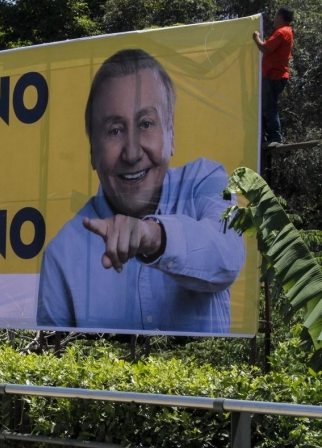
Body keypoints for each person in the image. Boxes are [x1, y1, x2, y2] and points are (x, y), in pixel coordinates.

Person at [37, 48, 245, 333]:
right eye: (114, 130)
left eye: (146, 124)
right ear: (92, 151)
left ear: (171, 134)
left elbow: (228, 256)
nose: (132, 153)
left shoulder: (206, 181)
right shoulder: (61, 256)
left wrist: (153, 237)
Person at [252, 7, 294, 146]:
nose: (274, 18)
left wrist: (256, 38)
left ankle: (275, 139)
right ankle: (266, 137)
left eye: (276, 15)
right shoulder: (286, 32)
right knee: (266, 106)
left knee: (270, 108)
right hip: (275, 75)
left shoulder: (282, 32)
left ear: (281, 17)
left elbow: (265, 48)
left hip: (274, 76)